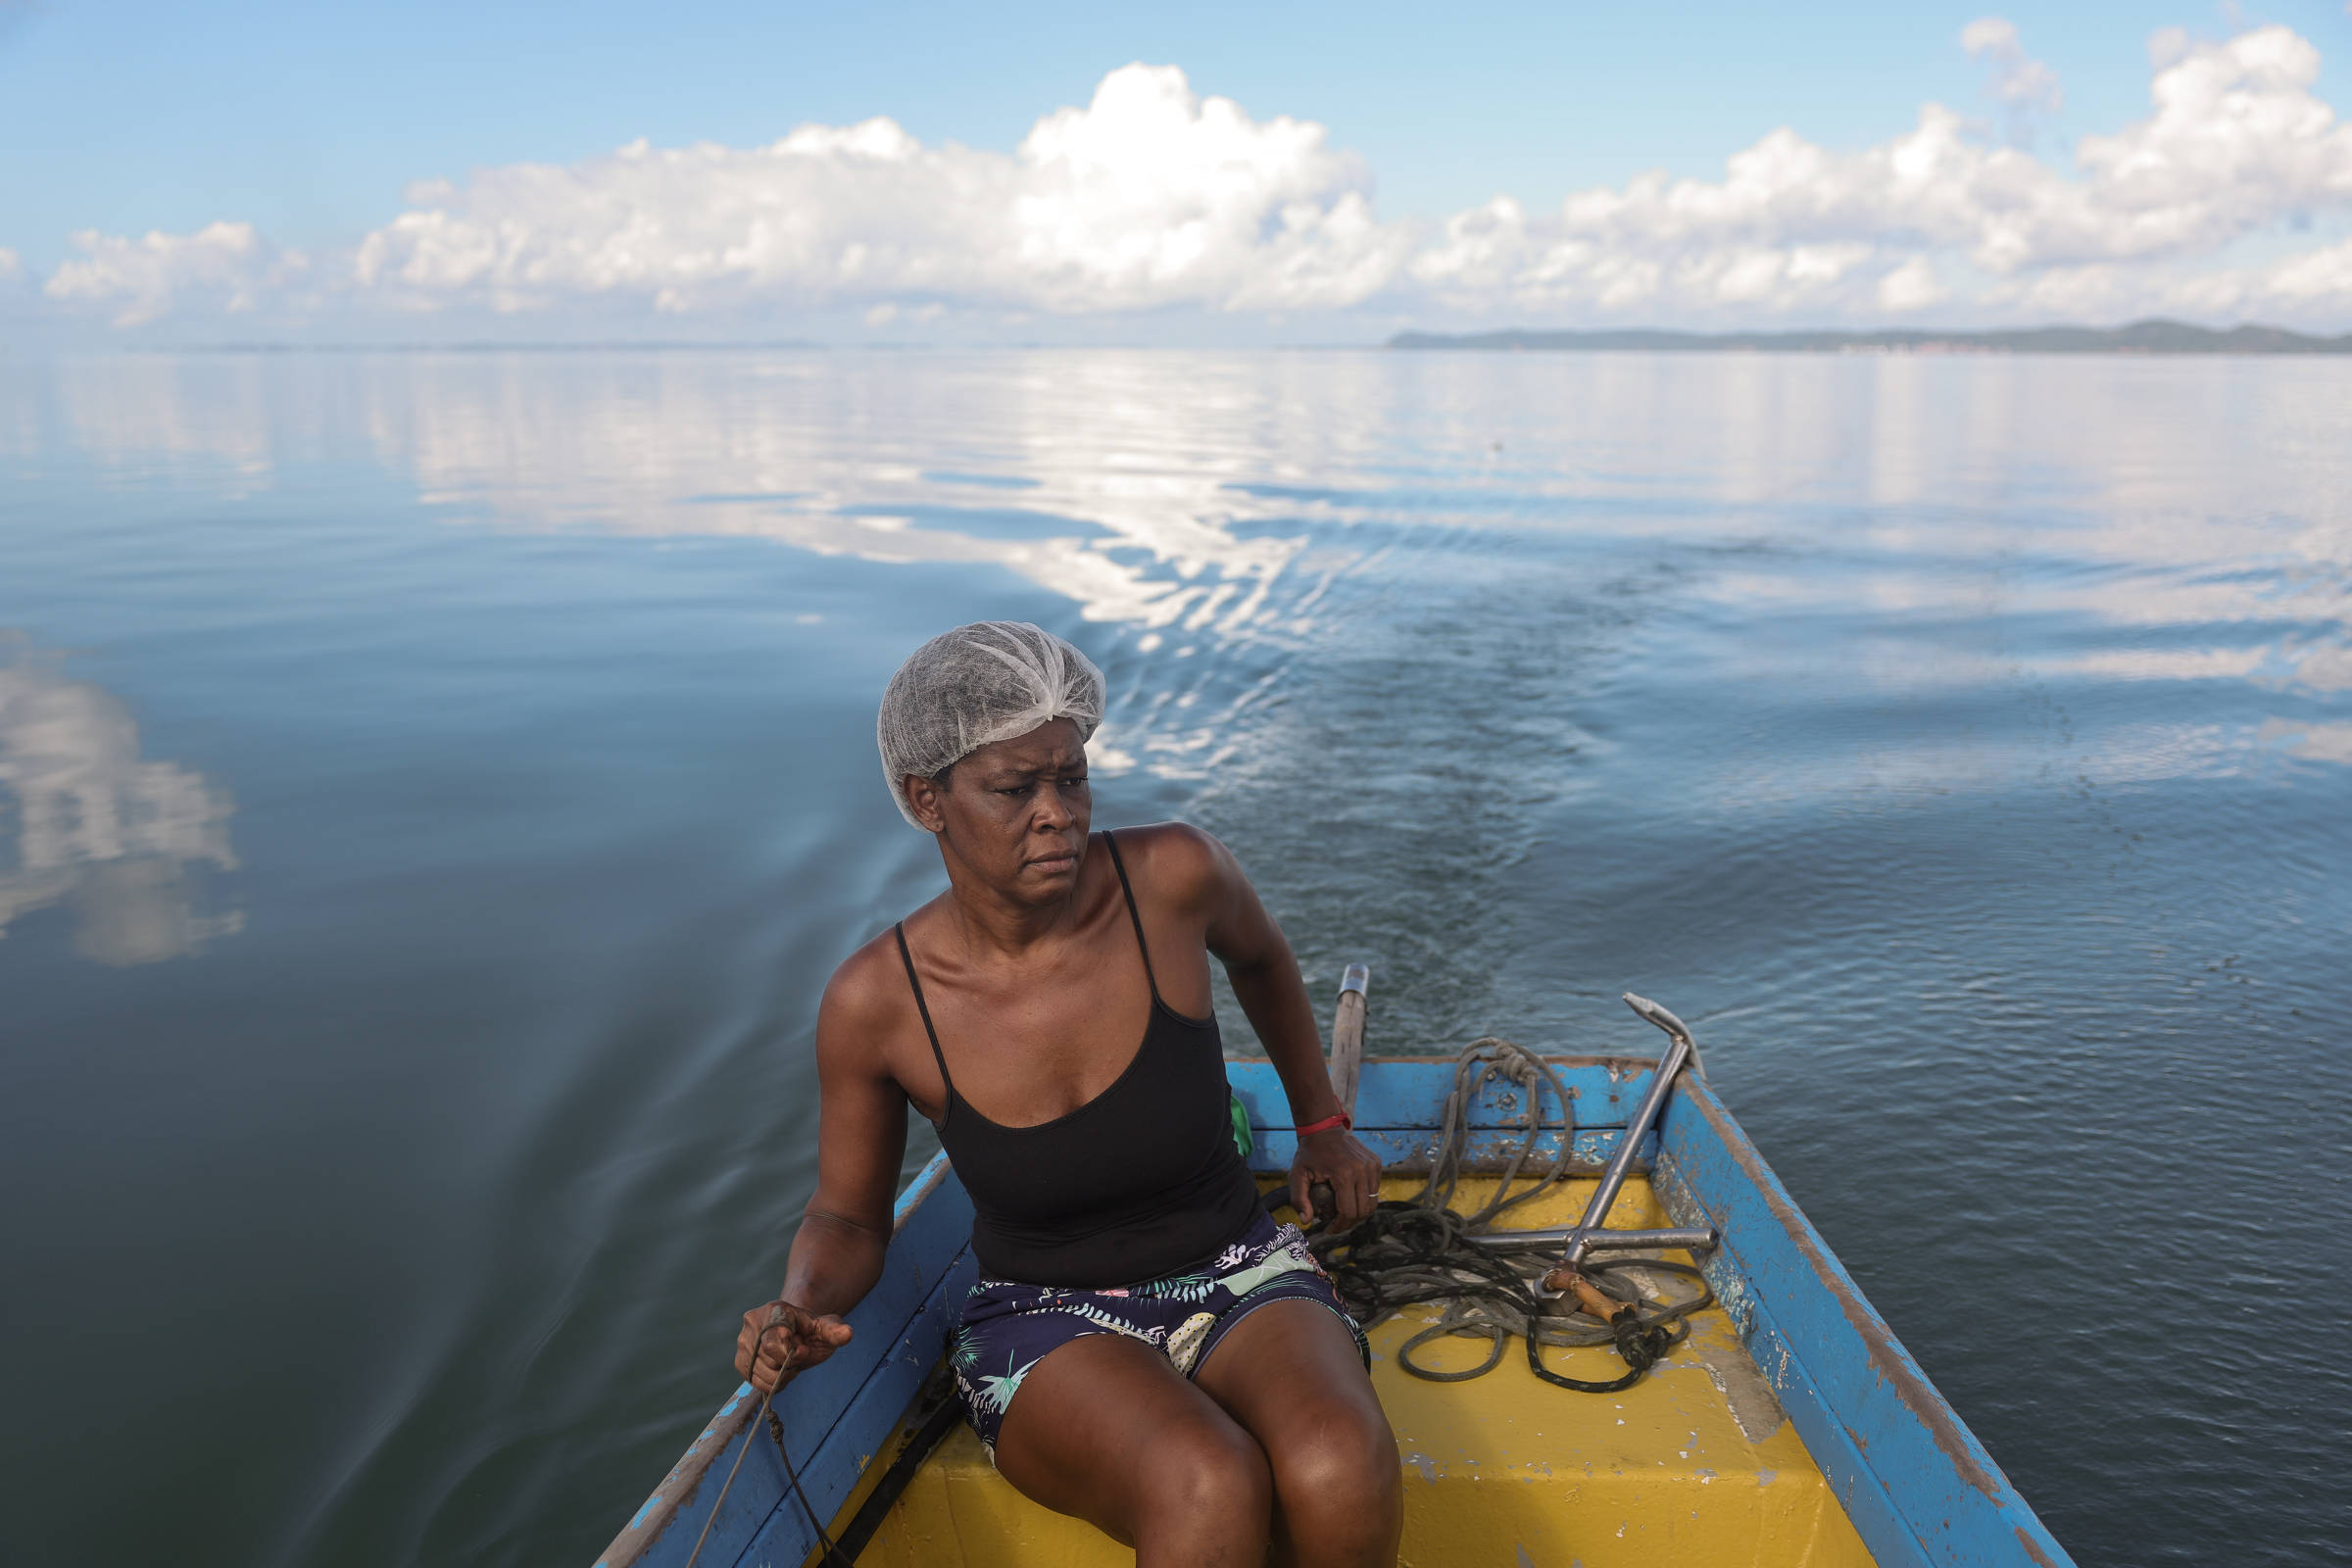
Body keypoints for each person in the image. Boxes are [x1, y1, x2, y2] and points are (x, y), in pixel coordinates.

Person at [731, 621, 1402, 1567]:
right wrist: (798, 1305)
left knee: (1339, 1461)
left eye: (1073, 778)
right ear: (928, 799)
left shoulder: (1172, 877)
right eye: (1015, 789)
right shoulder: (878, 1003)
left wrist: (1323, 1124)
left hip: (1241, 1266)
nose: (1058, 813)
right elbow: (847, 1221)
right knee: (1204, 1480)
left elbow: (1261, 958)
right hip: (1046, 1315)